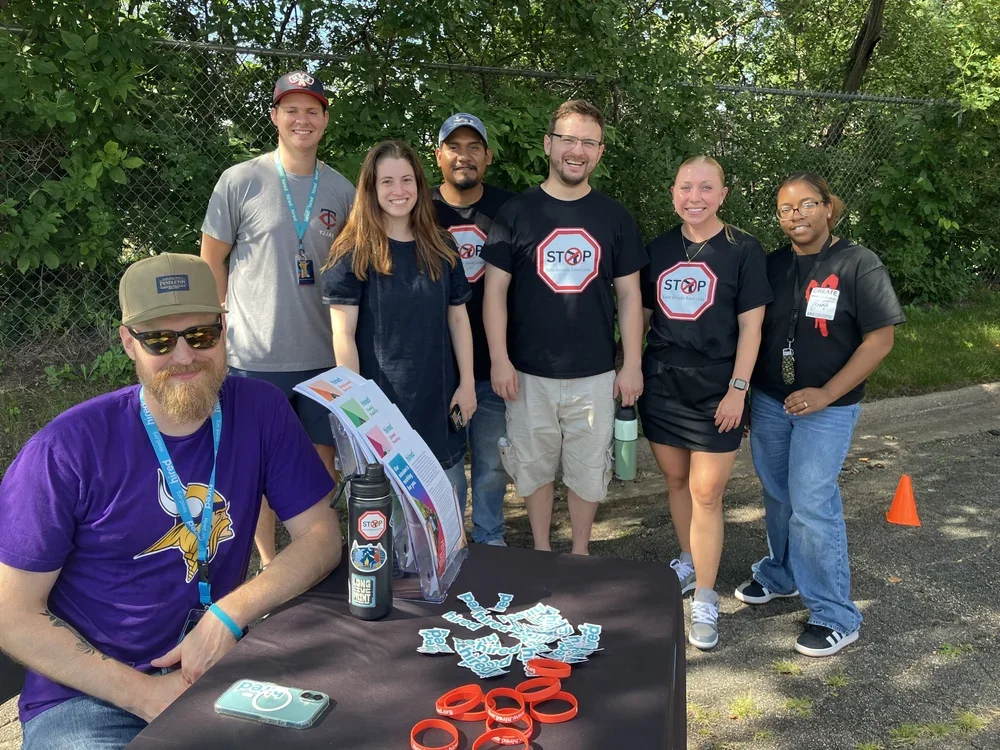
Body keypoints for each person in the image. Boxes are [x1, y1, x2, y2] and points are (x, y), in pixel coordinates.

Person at [0, 253, 343, 749]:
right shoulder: (64, 451)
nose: (184, 356)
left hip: (220, 666)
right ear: (128, 343)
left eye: (200, 335)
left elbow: (321, 535)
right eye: (159, 340)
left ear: (224, 329)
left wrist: (231, 612)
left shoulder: (260, 409)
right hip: (88, 696)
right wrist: (144, 695)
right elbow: (12, 616)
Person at [736, 172, 905, 657]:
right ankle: (782, 573)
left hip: (827, 408)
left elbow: (881, 339)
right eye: (786, 208)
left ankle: (835, 614)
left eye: (807, 204)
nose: (796, 216)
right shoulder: (771, 265)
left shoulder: (858, 263)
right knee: (778, 493)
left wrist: (828, 392)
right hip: (771, 401)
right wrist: (748, 394)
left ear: (829, 208)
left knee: (812, 502)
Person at [201, 71, 355, 569]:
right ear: (274, 117)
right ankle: (269, 566)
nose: (301, 119)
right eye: (291, 109)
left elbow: (355, 269)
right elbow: (211, 262)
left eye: (312, 110)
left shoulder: (341, 190)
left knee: (319, 470)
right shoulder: (240, 180)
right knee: (257, 473)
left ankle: (311, 560)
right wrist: (220, 334)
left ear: (326, 119)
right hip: (254, 357)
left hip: (322, 356)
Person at [481, 99, 648, 555]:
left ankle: (578, 554)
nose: (577, 150)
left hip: (595, 373)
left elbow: (631, 295)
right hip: (528, 373)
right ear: (548, 144)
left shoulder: (614, 217)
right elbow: (494, 292)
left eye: (588, 142)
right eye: (568, 139)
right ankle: (539, 552)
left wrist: (631, 363)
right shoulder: (517, 213)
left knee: (589, 468)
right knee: (532, 467)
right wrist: (499, 358)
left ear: (600, 152)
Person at [639, 156, 772, 650]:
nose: (694, 197)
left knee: (708, 493)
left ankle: (707, 599)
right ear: (673, 192)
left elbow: (751, 327)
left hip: (718, 390)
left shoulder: (743, 250)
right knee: (676, 481)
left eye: (706, 188)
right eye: (685, 188)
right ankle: (690, 563)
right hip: (663, 384)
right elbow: (644, 315)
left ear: (723, 194)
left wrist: (739, 388)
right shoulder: (658, 248)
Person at [322, 140, 477, 494]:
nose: (398, 190)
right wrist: (356, 410)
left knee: (446, 516)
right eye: (387, 181)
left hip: (438, 404)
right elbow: (342, 335)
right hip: (381, 413)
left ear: (419, 186)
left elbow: (458, 319)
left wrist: (466, 384)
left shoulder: (441, 245)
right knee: (384, 525)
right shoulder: (353, 251)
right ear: (371, 188)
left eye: (406, 180)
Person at [432, 113, 516, 546]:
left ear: (487, 156)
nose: (463, 157)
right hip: (437, 365)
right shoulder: (418, 208)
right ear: (438, 155)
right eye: (454, 147)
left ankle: (490, 539)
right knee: (444, 465)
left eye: (473, 148)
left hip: (494, 363)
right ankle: (449, 541)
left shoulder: (511, 208)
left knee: (491, 464)